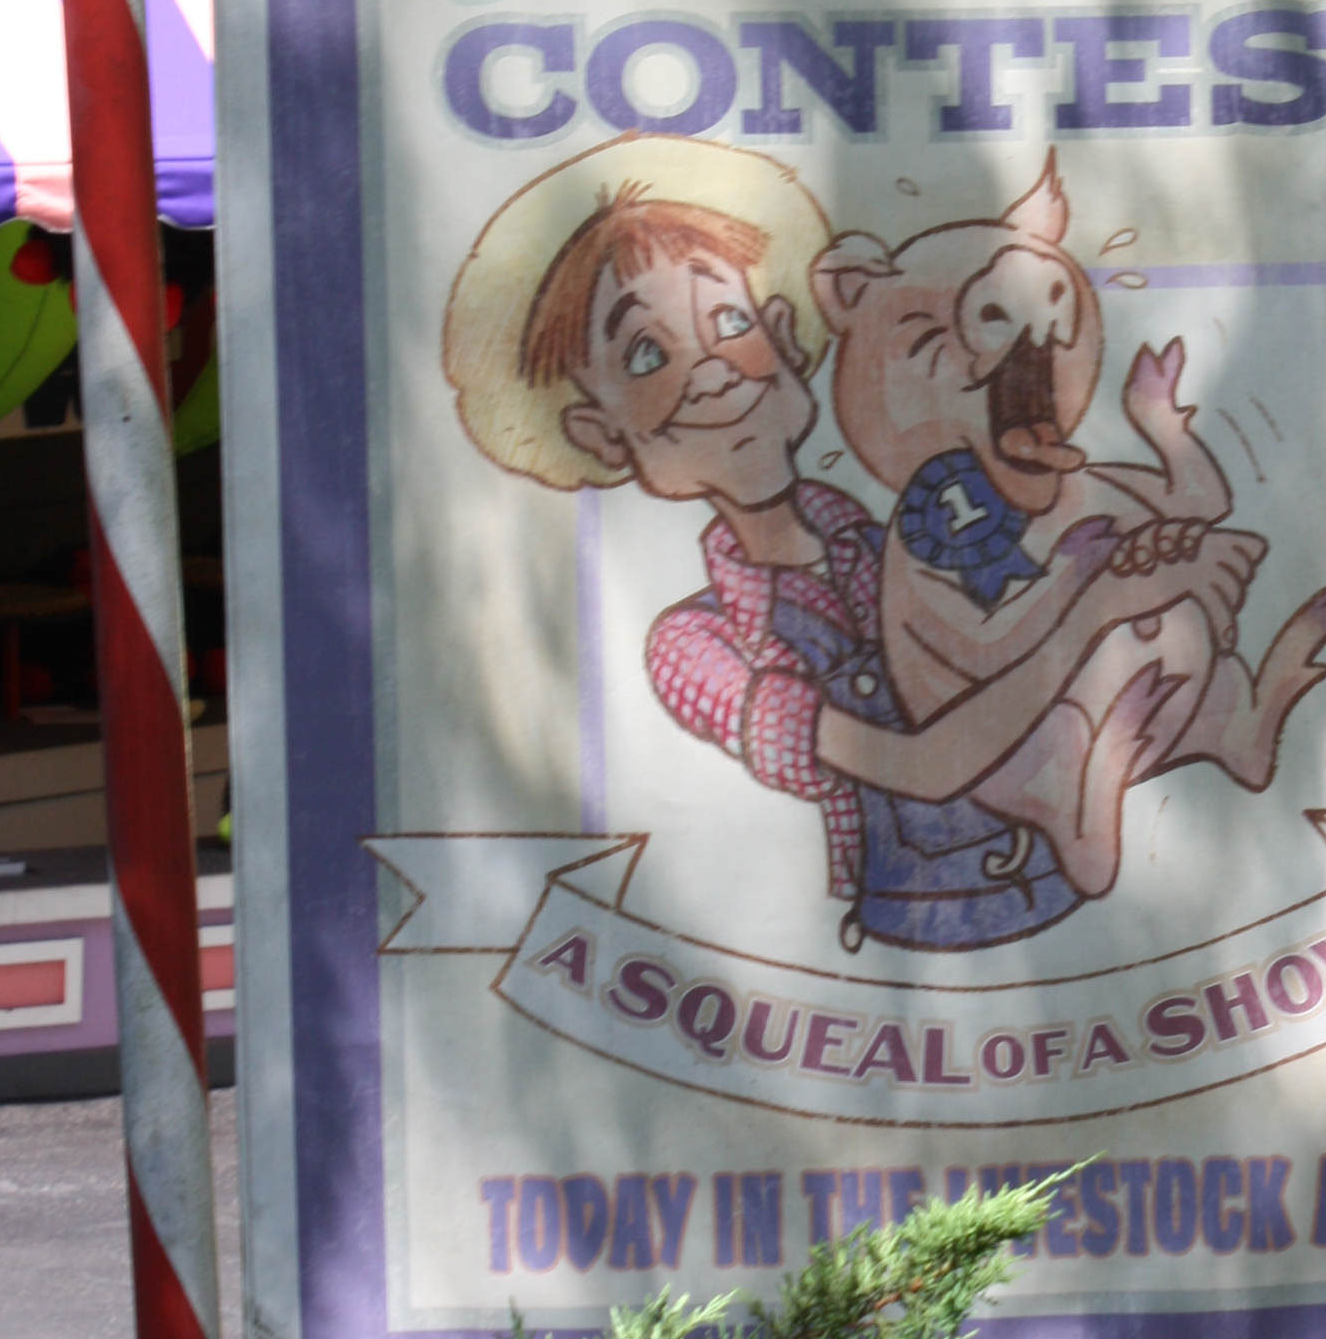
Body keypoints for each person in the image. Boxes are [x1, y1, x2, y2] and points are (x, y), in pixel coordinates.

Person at [443, 138, 1254, 950]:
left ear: (786, 341)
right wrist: (1094, 610)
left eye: (730, 322)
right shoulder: (696, 647)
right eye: (648, 355)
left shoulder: (897, 535)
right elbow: (925, 767)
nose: (712, 370)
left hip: (1069, 897)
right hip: (932, 917)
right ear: (601, 432)